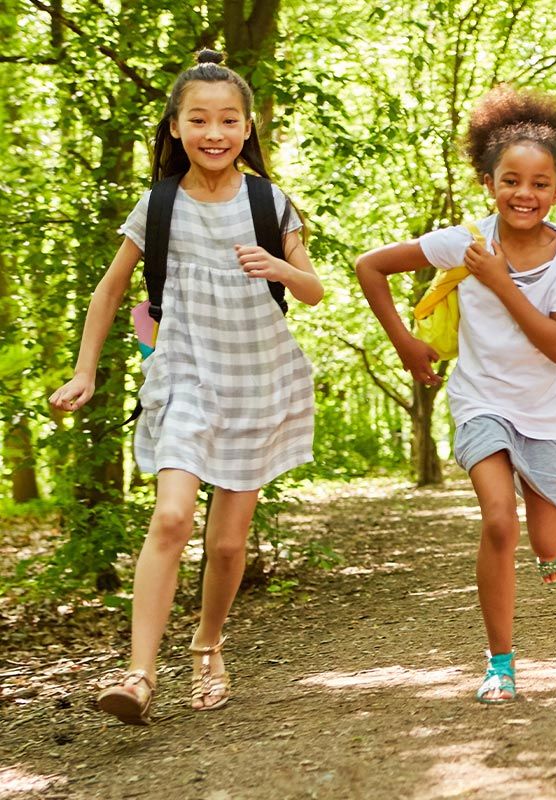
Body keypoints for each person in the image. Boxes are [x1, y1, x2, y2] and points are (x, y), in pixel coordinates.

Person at [49, 50, 323, 724]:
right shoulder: (158, 204)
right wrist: (85, 369)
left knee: (229, 545)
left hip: (257, 376)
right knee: (171, 517)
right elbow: (111, 289)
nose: (214, 132)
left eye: (229, 120)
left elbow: (314, 290)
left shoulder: (271, 201)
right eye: (199, 119)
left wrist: (279, 270)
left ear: (247, 126)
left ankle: (207, 646)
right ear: (175, 127)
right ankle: (138, 675)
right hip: (184, 373)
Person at [356, 86, 556, 704]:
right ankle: (501, 662)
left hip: (543, 413)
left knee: (547, 539)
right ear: (489, 182)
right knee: (496, 520)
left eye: (540, 184)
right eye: (511, 180)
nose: (525, 194)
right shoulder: (462, 241)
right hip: (480, 401)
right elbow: (368, 266)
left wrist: (499, 280)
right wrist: (406, 342)